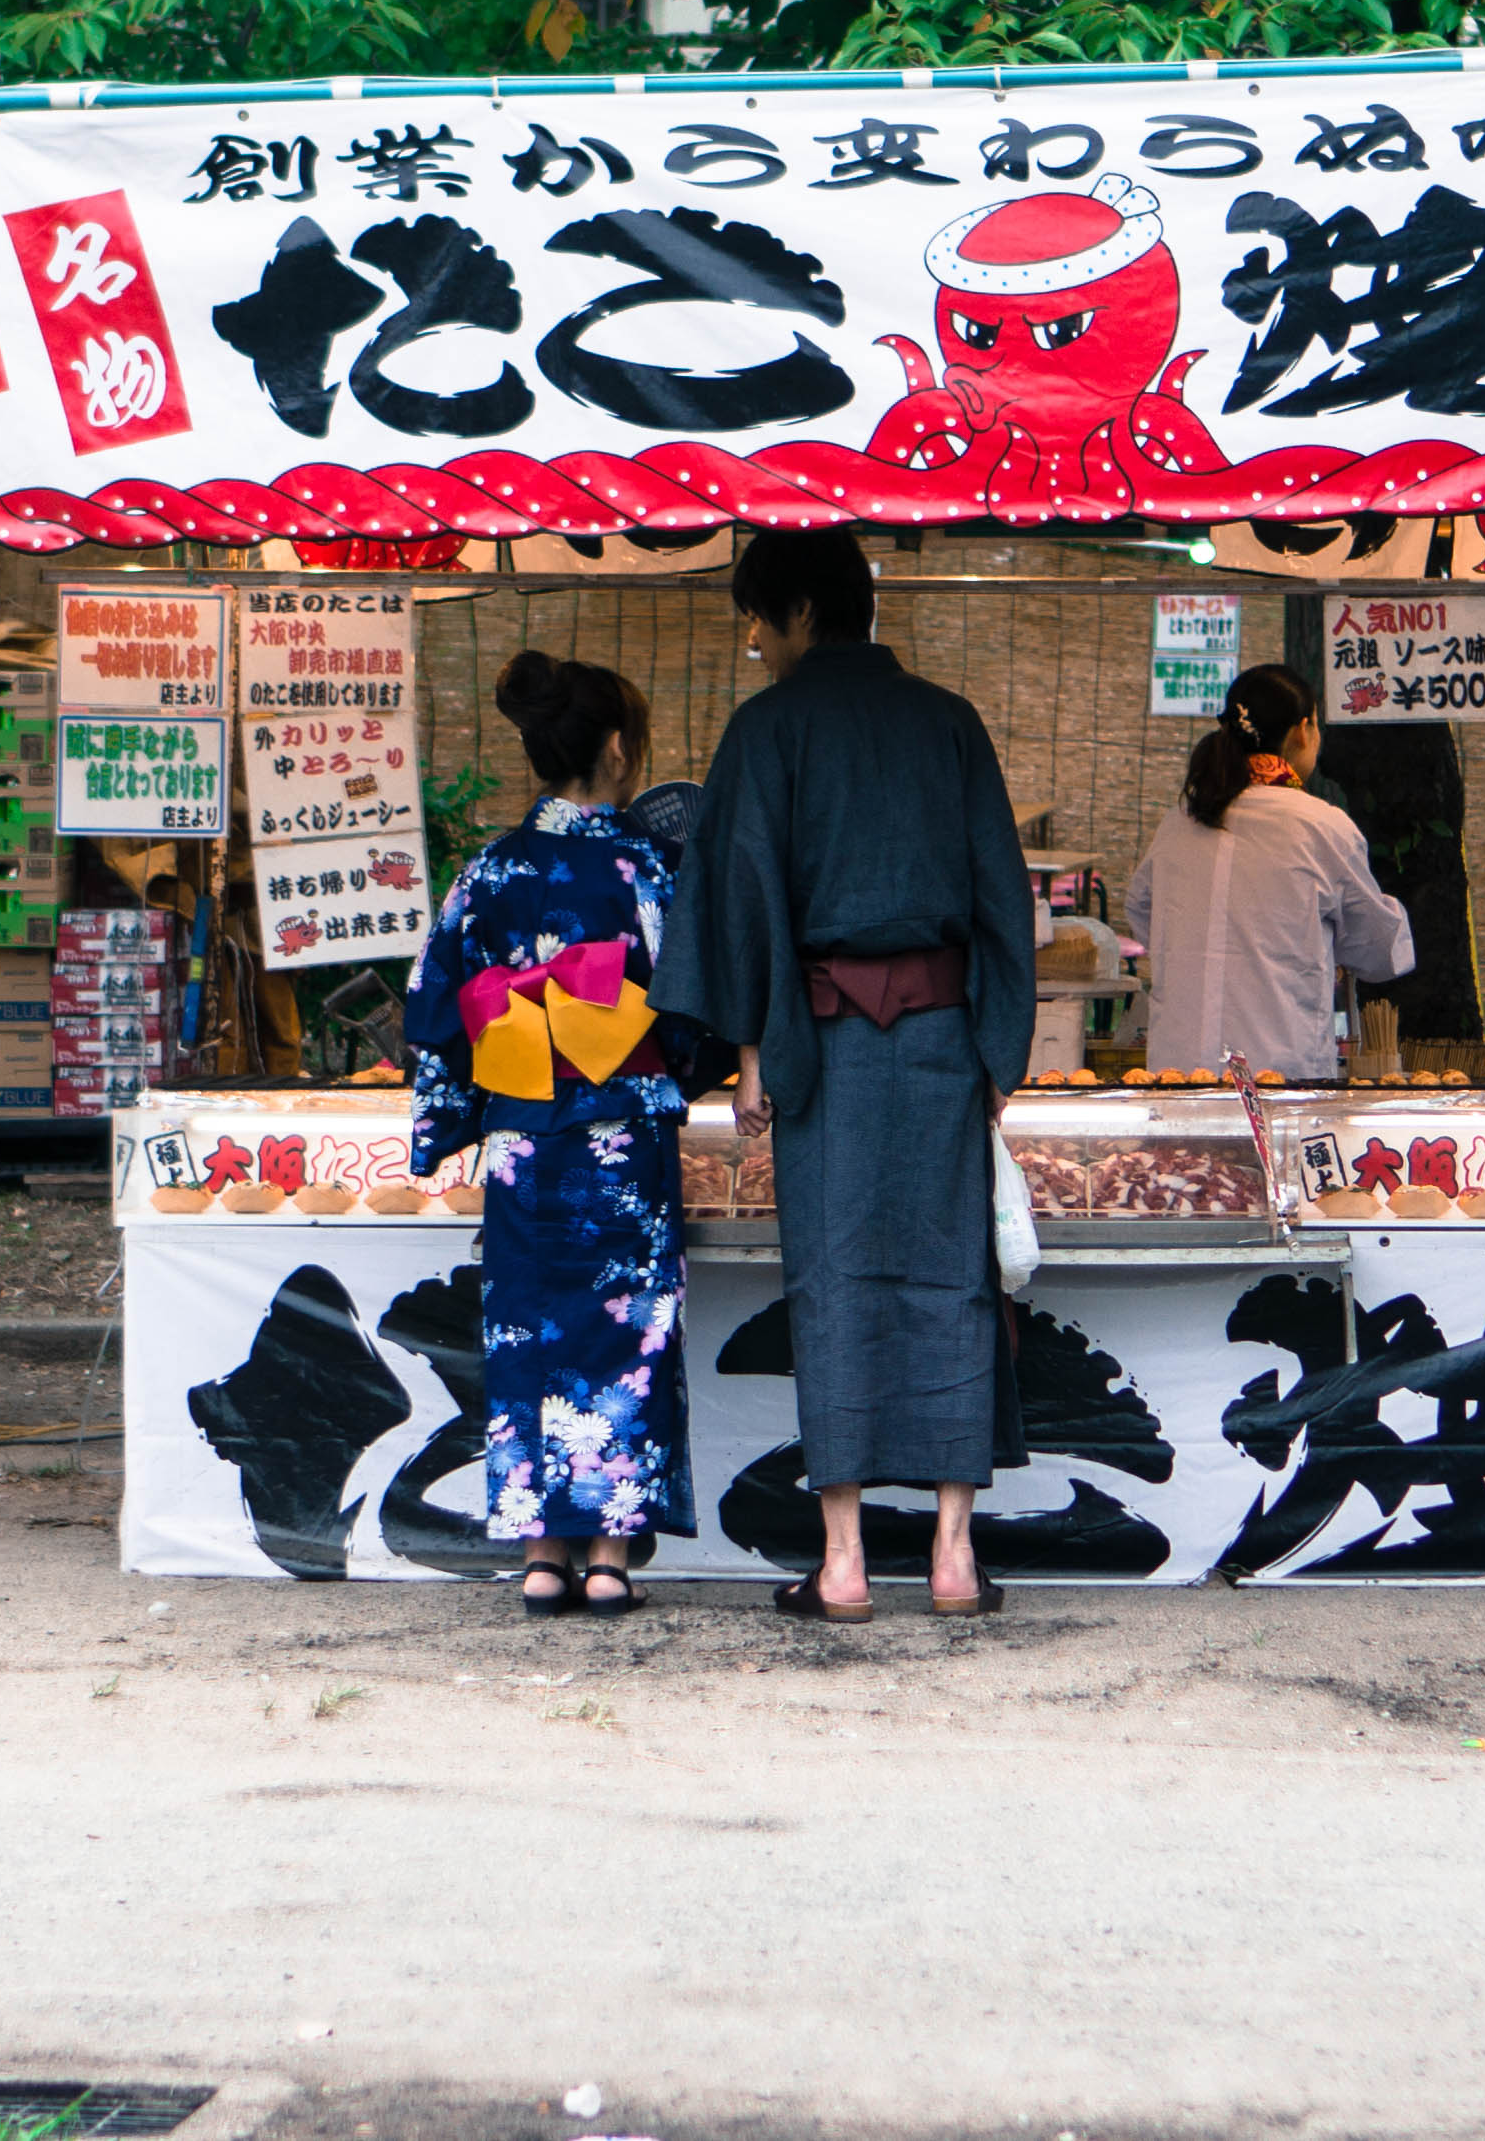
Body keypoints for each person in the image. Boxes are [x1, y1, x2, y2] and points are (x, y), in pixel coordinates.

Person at [653, 528, 1037, 1623]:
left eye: (759, 623)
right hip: (939, 1048)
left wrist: (750, 1054)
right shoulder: (948, 722)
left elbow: (737, 903)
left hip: (820, 1050)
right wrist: (996, 1055)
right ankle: (954, 1554)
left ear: (802, 615)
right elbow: (1000, 897)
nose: (755, 645)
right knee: (949, 1285)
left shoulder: (767, 729)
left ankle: (844, 1562)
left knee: (832, 1289)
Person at [400, 654, 698, 1618]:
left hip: (526, 1135)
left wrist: (448, 1120)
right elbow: (695, 1009)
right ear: (618, 750)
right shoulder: (647, 869)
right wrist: (680, 1070)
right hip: (620, 1139)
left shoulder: (492, 870)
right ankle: (609, 1557)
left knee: (526, 1330)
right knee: (627, 1334)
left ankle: (539, 1555)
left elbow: (439, 1005)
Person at [1126, 663, 1414, 1078]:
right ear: (1302, 730)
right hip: (1281, 1079)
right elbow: (1378, 950)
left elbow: (1141, 910)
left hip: (1181, 1076)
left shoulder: (1180, 821)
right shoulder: (1320, 826)